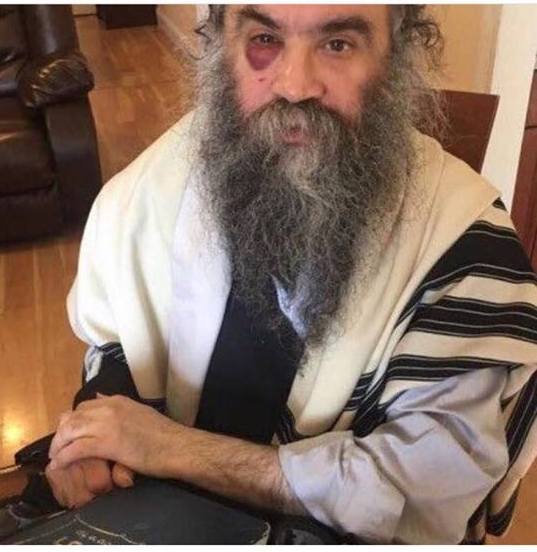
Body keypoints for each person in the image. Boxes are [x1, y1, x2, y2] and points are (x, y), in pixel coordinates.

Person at [43, 4, 537, 544]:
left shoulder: (464, 245)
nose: (295, 86)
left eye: (338, 44)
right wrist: (93, 438)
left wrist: (173, 449)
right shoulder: (150, 190)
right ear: (220, 46)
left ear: (397, 55)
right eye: (263, 38)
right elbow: (118, 339)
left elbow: (425, 490)